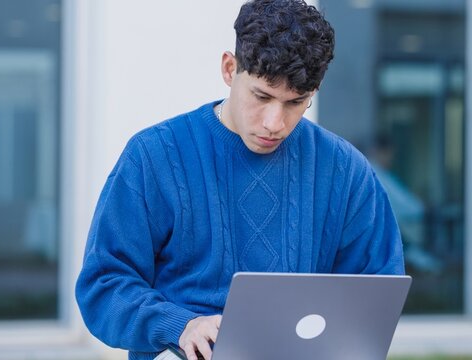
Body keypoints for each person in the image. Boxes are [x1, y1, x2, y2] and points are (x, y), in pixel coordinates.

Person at [75, 1, 405, 359]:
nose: (274, 122)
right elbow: (103, 285)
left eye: (296, 102)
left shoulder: (346, 172)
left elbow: (376, 296)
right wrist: (180, 325)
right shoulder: (154, 157)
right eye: (261, 96)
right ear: (230, 69)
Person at [368, 134, 441, 273]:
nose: (391, 159)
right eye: (389, 154)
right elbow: (405, 206)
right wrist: (421, 207)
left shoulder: (381, 173)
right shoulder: (376, 173)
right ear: (381, 152)